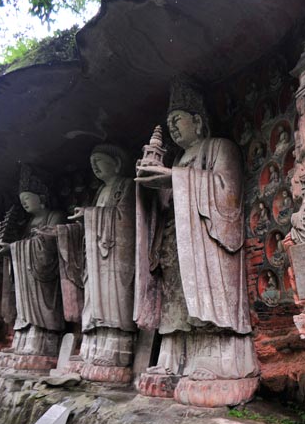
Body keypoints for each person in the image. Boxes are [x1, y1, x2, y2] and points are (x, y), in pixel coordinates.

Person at [135, 78, 259, 406]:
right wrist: (156, 186)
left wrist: (177, 180)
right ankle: (171, 359)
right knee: (174, 301)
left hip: (207, 245)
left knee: (202, 298)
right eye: (170, 123)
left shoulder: (220, 147)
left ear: (198, 121)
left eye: (178, 120)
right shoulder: (176, 160)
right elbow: (165, 207)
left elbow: (228, 193)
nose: (173, 128)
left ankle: (215, 360)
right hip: (175, 242)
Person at [69, 144, 136, 368]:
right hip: (96, 256)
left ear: (116, 163)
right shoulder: (100, 191)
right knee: (94, 299)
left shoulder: (126, 185)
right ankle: (92, 346)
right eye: (92, 164)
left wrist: (90, 214)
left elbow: (126, 219)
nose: (95, 167)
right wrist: (89, 216)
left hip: (115, 255)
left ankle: (116, 349)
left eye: (99, 161)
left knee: (112, 300)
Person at [0, 169, 65, 357]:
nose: (23, 202)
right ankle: (20, 342)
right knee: (23, 309)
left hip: (44, 275)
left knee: (41, 309)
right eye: (21, 199)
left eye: (27, 197)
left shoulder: (55, 216)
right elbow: (24, 244)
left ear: (41, 197)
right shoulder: (29, 222)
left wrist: (15, 247)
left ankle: (40, 344)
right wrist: (11, 249)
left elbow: (51, 245)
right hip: (25, 273)